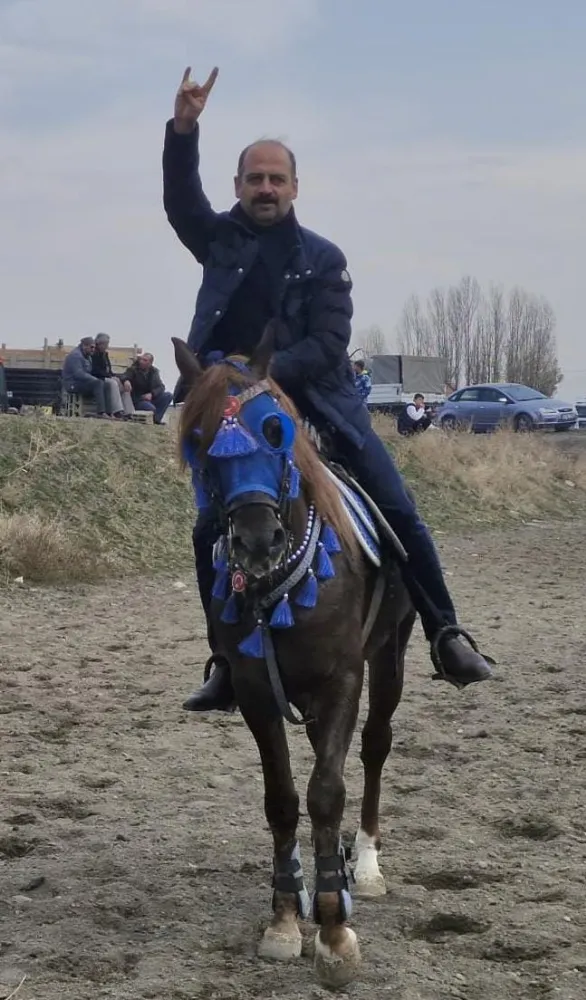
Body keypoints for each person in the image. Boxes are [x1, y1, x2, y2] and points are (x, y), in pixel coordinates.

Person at [163, 65, 493, 712]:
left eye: (275, 179)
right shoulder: (220, 239)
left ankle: (445, 630)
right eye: (254, 179)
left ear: (294, 187)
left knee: (398, 511)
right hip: (232, 414)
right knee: (208, 529)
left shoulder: (325, 258)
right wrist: (182, 130)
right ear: (238, 185)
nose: (264, 188)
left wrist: (264, 378)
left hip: (318, 405)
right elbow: (180, 201)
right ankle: (225, 662)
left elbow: (326, 348)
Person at [62, 337, 110, 417]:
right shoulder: (75, 356)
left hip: (80, 383)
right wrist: (95, 379)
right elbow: (79, 374)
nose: (93, 349)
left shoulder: (87, 356)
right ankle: (101, 412)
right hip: (72, 384)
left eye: (94, 347)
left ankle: (109, 412)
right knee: (98, 383)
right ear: (84, 346)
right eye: (91, 347)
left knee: (106, 384)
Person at [120, 353, 173, 424]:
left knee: (168, 395)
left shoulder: (154, 372)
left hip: (150, 398)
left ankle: (156, 419)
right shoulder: (133, 369)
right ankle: (153, 418)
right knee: (151, 408)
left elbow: (161, 387)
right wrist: (126, 381)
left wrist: (152, 394)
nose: (141, 361)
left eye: (145, 360)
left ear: (150, 363)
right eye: (141, 359)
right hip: (138, 399)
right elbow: (124, 376)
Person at [91, 333, 134, 419]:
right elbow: (95, 370)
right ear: (99, 344)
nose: (107, 346)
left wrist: (121, 379)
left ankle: (129, 412)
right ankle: (117, 411)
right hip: (98, 379)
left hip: (107, 377)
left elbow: (109, 371)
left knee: (124, 386)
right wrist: (110, 376)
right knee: (113, 383)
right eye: (106, 344)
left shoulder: (105, 355)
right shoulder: (93, 354)